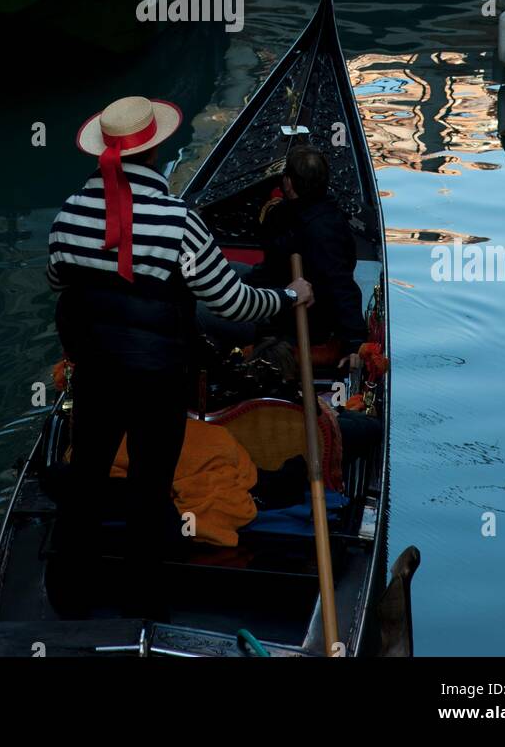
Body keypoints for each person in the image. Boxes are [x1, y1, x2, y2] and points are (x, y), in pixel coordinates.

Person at [45, 94, 313, 620]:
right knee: (149, 487)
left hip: (97, 374)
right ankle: (143, 605)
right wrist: (288, 297)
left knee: (86, 482)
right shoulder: (179, 222)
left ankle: (68, 598)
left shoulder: (70, 213)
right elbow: (233, 304)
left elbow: (58, 276)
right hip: (156, 381)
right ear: (154, 150)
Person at [248, 144, 366, 358]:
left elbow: (341, 286)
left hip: (287, 317)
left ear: (289, 184)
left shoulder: (321, 231)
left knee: (203, 311)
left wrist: (355, 343)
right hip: (270, 285)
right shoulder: (296, 211)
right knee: (228, 271)